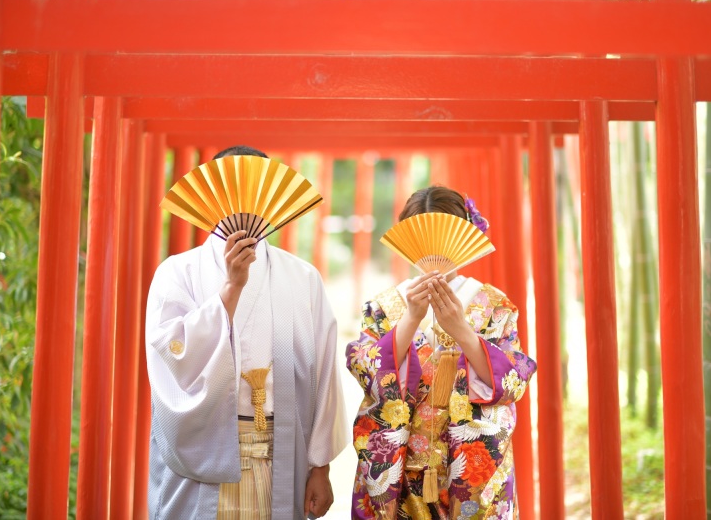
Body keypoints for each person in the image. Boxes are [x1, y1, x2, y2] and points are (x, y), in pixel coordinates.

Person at [146, 145, 348, 519]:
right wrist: (230, 289)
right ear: (210, 196)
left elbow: (323, 375)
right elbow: (172, 356)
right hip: (203, 454)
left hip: (282, 452)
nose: (242, 205)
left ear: (270, 198)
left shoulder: (301, 278)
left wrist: (320, 466)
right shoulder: (177, 272)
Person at [346, 186, 537, 519]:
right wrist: (410, 319)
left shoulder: (492, 304)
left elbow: (513, 381)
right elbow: (366, 373)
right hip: (402, 465)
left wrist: (461, 329)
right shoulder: (385, 306)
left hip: (469, 464)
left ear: (464, 235)